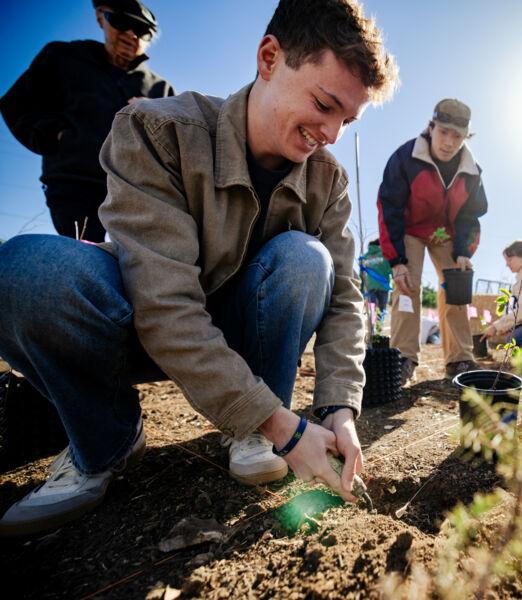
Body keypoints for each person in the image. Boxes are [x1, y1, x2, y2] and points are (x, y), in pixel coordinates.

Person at [0, 0, 398, 537]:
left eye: (346, 120)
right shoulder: (157, 130)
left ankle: (253, 425)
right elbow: (162, 304)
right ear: (269, 57)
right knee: (24, 272)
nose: (329, 133)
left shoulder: (326, 181)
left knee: (307, 259)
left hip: (240, 341)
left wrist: (339, 409)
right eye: (324, 105)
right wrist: (285, 425)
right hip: (139, 327)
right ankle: (105, 437)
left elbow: (347, 298)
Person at [0, 1, 175, 243]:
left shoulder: (161, 88)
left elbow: (175, 144)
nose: (131, 35)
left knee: (138, 261)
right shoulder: (63, 57)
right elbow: (17, 102)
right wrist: (57, 136)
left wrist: (153, 115)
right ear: (100, 17)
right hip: (75, 183)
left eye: (142, 31)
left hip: (137, 190)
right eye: (122, 23)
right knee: (84, 253)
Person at [376, 98, 488, 384]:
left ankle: (459, 358)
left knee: (456, 287)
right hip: (410, 229)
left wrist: (464, 251)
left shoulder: (472, 170)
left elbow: (470, 216)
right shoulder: (405, 158)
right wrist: (397, 262)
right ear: (431, 126)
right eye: (444, 132)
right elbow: (388, 209)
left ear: (466, 137)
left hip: (445, 233)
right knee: (407, 287)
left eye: (458, 135)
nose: (449, 142)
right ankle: (403, 358)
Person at [360, 239, 391, 314]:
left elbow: (362, 274)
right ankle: (379, 325)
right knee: (382, 310)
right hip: (383, 287)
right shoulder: (385, 255)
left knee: (372, 310)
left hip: (370, 287)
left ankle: (372, 324)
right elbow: (390, 270)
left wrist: (361, 289)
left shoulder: (365, 257)